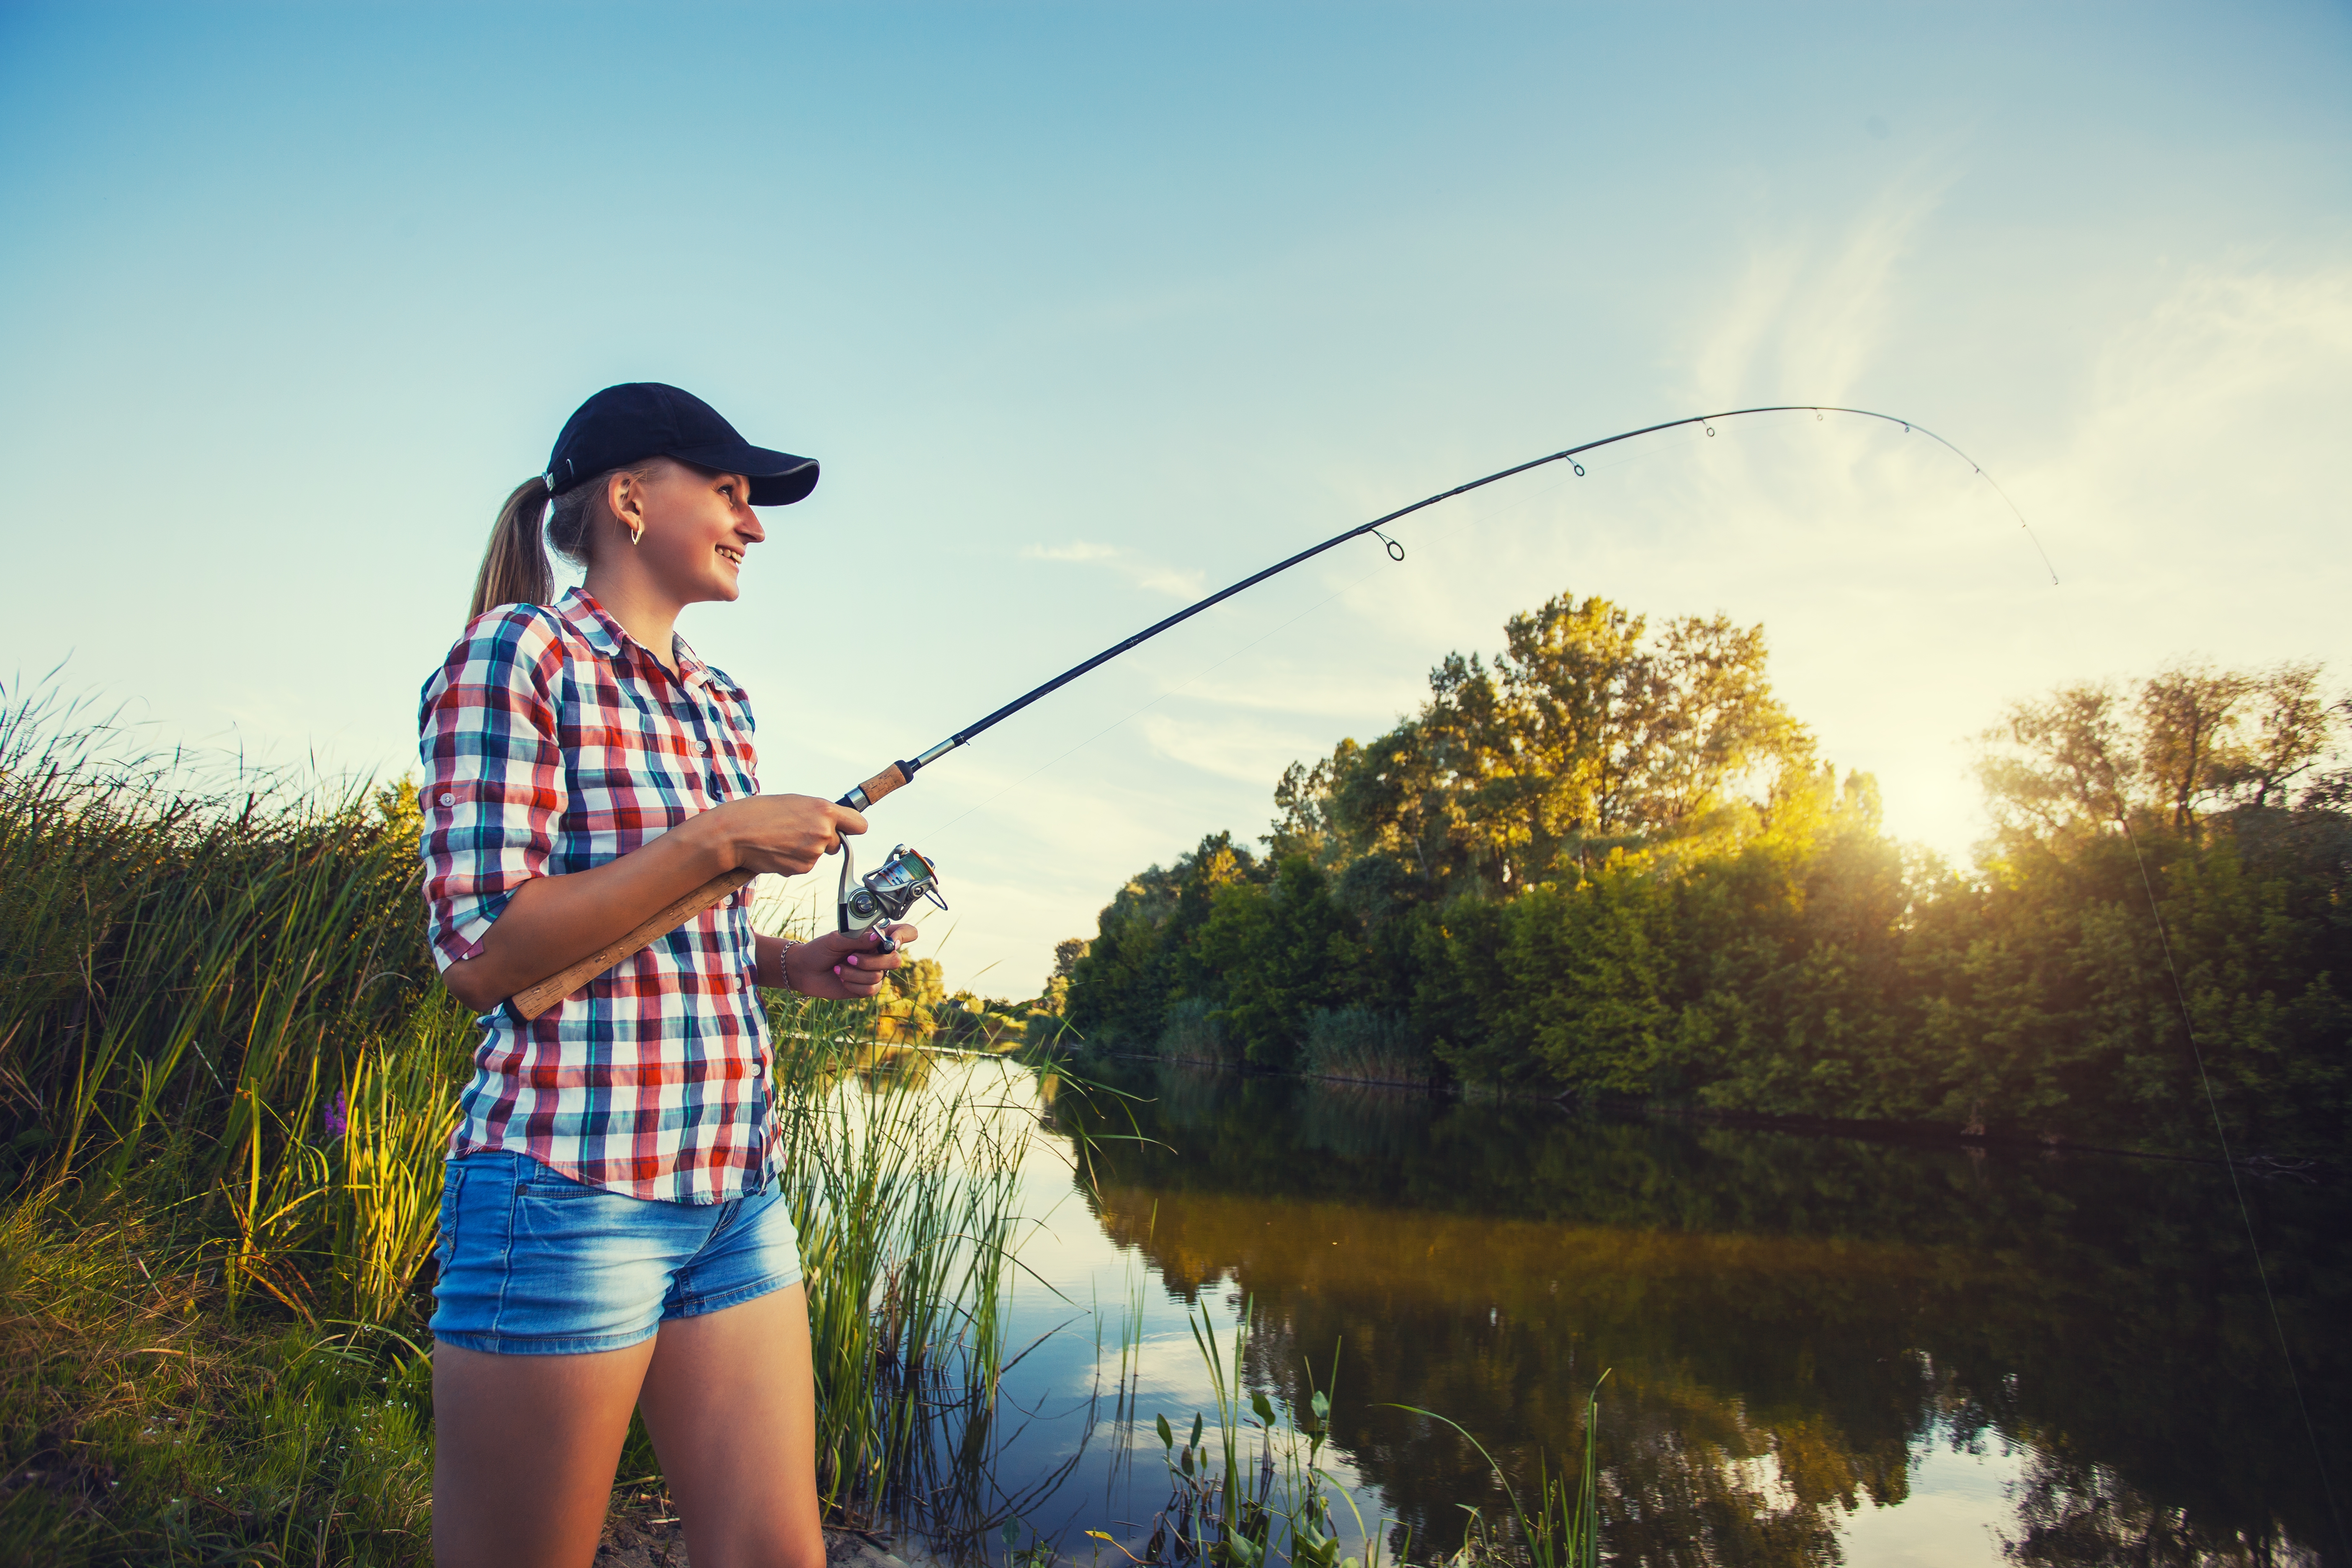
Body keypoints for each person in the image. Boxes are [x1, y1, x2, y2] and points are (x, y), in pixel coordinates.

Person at [416, 383, 916, 1568]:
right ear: (632, 498)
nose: (755, 523)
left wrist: (793, 963)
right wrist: (718, 840)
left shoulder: (721, 704)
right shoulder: (518, 654)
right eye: (733, 493)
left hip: (735, 1190)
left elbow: (674, 929)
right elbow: (486, 953)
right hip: (566, 1190)